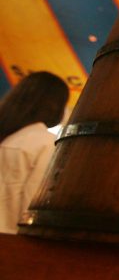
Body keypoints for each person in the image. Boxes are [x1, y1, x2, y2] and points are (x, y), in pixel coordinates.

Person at [0, 72, 69, 234]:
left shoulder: (8, 138)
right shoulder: (46, 143)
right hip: (14, 244)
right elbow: (33, 207)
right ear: (56, 106)